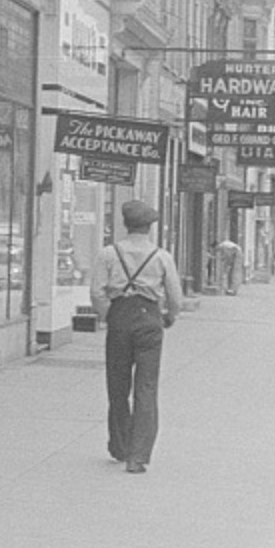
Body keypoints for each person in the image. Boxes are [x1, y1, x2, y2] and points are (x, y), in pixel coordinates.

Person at [90, 200, 182, 475]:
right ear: (149, 227)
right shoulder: (161, 256)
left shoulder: (109, 253)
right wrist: (169, 316)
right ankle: (138, 456)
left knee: (117, 385)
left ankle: (119, 445)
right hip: (149, 319)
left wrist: (109, 314)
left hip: (120, 317)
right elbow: (175, 296)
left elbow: (96, 292)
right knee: (146, 387)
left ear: (125, 224)